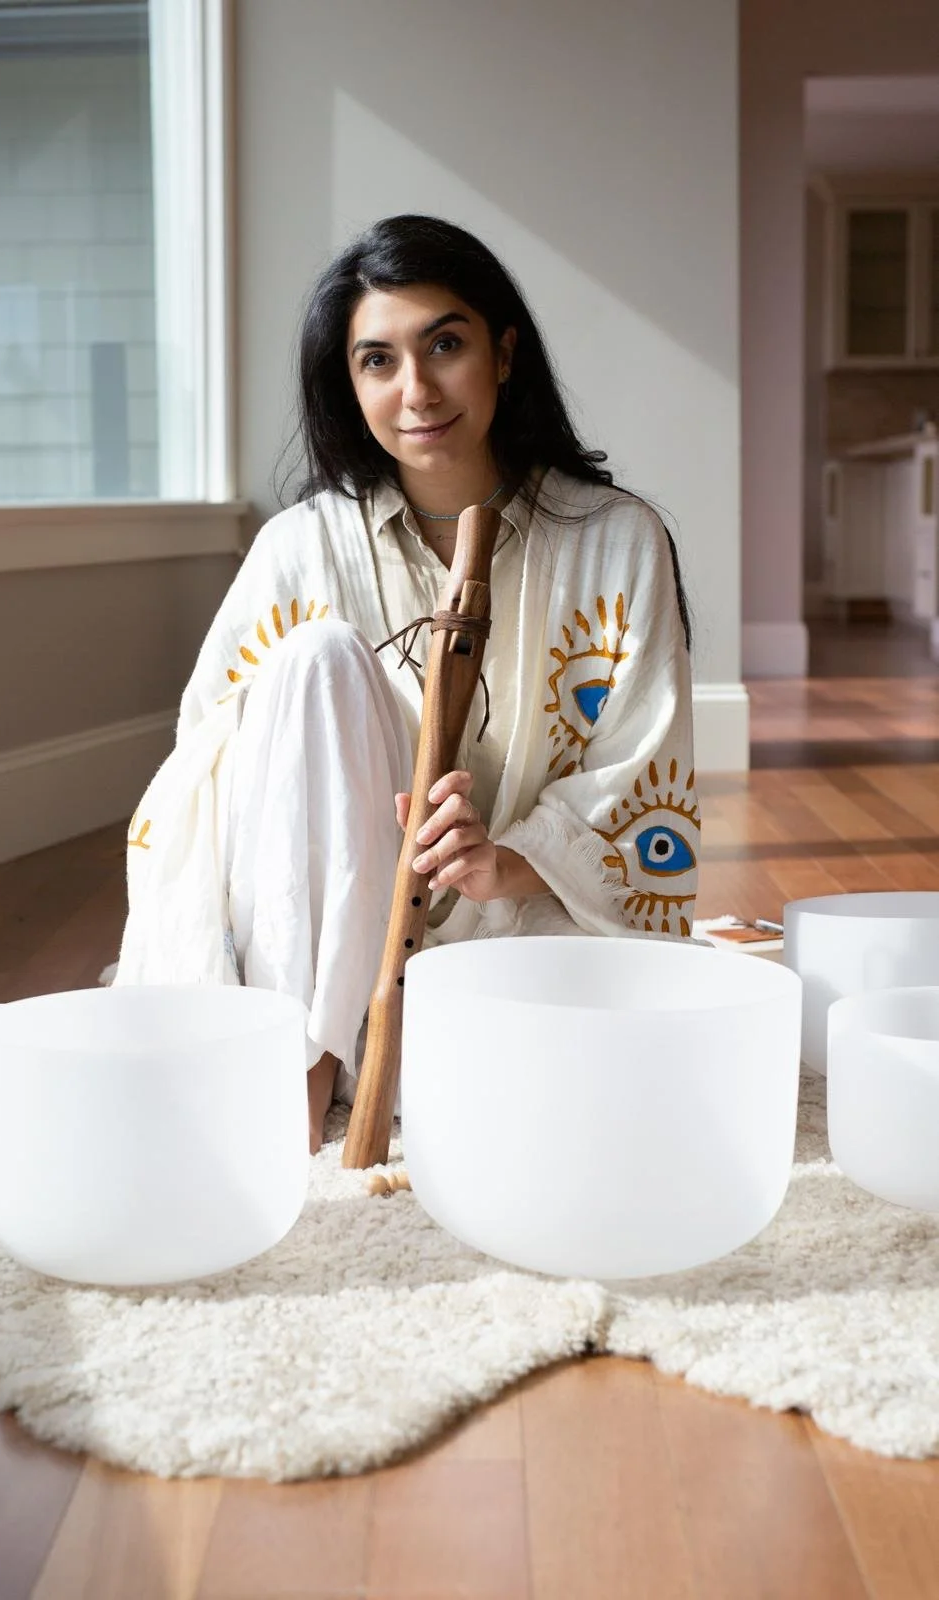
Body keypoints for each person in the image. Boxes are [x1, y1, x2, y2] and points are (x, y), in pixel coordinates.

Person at [115, 214, 700, 1154]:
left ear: (503, 352)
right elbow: (207, 779)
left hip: (521, 926)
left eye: (445, 345)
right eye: (378, 361)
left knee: (574, 1085)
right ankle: (299, 1082)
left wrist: (501, 861)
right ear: (349, 387)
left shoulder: (618, 540)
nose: (416, 390)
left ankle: (387, 1060)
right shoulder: (298, 547)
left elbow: (641, 768)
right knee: (313, 660)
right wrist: (348, 778)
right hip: (317, 942)